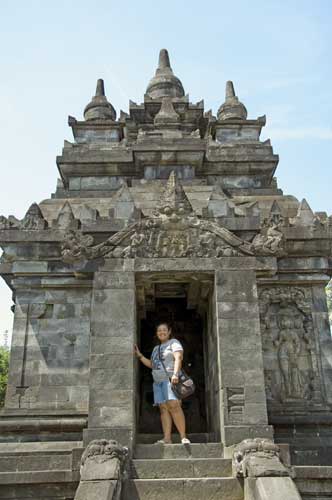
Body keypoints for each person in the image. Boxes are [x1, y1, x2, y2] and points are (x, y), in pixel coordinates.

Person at [134, 322, 190, 444]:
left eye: (164, 330)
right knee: (163, 409)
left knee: (174, 406)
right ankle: (167, 438)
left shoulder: (173, 343)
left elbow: (178, 358)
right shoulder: (156, 349)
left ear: (169, 332)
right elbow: (152, 365)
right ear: (156, 333)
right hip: (158, 382)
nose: (162, 332)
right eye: (159, 330)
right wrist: (140, 356)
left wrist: (175, 374)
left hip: (170, 379)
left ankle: (183, 437)